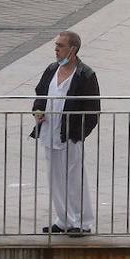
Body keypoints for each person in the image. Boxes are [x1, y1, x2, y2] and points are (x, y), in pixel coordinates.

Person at [30, 30, 101, 236]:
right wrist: (38, 110)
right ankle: (63, 219)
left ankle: (82, 221)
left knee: (75, 177)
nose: (56, 50)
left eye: (60, 46)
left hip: (71, 134)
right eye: (56, 46)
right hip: (49, 131)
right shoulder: (51, 70)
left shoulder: (85, 74)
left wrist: (79, 133)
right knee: (55, 176)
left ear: (73, 49)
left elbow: (92, 109)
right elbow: (40, 94)